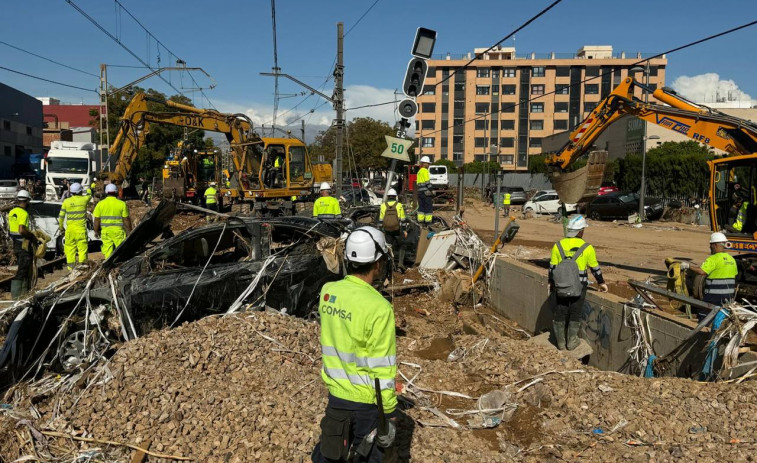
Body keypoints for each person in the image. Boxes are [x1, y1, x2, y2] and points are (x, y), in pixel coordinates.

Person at [311, 226, 397, 463]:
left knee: (330, 453)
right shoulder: (380, 308)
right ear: (377, 263)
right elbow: (382, 367)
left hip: (336, 397)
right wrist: (388, 412)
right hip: (367, 404)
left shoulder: (328, 292)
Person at [549, 215, 608, 350]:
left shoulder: (558, 245)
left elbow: (552, 268)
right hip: (580, 287)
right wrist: (601, 282)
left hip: (561, 286)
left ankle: (561, 343)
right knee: (575, 312)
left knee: (561, 310)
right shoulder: (587, 248)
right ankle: (572, 342)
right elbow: (595, 269)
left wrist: (551, 282)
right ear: (581, 231)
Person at [681, 232, 738, 321]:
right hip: (728, 296)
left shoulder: (713, 259)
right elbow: (734, 275)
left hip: (713, 296)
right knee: (722, 317)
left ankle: (703, 333)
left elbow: (701, 271)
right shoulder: (732, 259)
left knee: (704, 316)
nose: (710, 247)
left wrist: (688, 266)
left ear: (715, 245)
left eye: (710, 245)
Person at [8, 190, 39, 299]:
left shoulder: (12, 212)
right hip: (23, 244)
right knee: (23, 270)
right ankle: (17, 297)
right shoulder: (24, 213)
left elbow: (11, 230)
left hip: (16, 243)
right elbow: (21, 230)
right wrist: (32, 236)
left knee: (24, 269)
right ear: (26, 201)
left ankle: (24, 294)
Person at [58, 182, 91, 271]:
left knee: (70, 250)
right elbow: (89, 194)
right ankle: (83, 269)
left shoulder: (66, 202)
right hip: (80, 230)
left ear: (71, 192)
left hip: (70, 231)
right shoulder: (84, 200)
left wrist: (61, 227)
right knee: (82, 250)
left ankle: (71, 270)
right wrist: (89, 187)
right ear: (80, 192)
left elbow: (61, 217)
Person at [93, 183, 131, 259]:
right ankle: (120, 267)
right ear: (116, 192)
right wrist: (129, 231)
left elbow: (97, 220)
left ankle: (109, 267)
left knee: (108, 253)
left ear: (106, 192)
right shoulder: (122, 204)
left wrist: (96, 231)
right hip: (118, 232)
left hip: (106, 232)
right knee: (120, 252)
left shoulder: (100, 204)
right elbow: (126, 219)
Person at [380, 188, 408, 272]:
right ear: (395, 196)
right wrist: (404, 230)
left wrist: (382, 230)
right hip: (397, 230)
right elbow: (403, 220)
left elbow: (381, 220)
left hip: (387, 230)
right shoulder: (399, 205)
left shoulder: (383, 205)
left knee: (389, 248)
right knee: (402, 245)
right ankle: (400, 265)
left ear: (387, 197)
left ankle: (390, 267)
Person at [415, 156, 433, 226]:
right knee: (428, 207)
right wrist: (431, 189)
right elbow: (427, 182)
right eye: (428, 164)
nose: (429, 165)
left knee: (421, 207)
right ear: (425, 163)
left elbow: (418, 183)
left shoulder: (419, 171)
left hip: (420, 192)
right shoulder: (425, 171)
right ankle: (428, 223)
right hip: (426, 193)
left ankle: (420, 221)